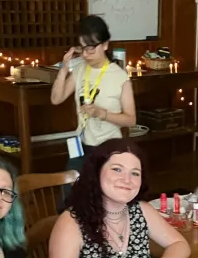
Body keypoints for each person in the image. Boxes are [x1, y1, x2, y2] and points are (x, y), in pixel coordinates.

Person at [48, 139, 191, 258]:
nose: (127, 180)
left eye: (135, 173)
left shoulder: (141, 210)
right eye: (117, 169)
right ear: (96, 172)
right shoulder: (72, 222)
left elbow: (179, 244)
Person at [50, 15, 136, 170]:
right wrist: (64, 69)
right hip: (82, 145)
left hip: (110, 149)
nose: (85, 54)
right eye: (82, 48)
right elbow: (56, 99)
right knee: (71, 183)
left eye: (90, 48)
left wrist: (102, 114)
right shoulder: (80, 69)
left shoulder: (120, 77)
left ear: (105, 45)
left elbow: (131, 120)